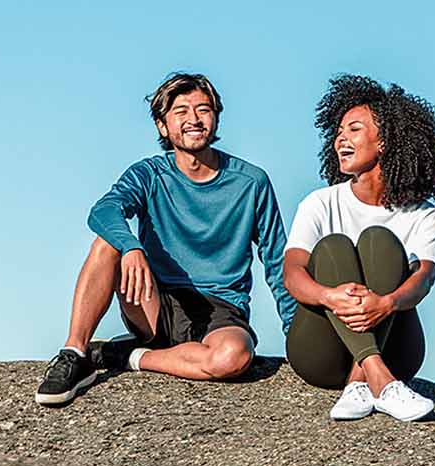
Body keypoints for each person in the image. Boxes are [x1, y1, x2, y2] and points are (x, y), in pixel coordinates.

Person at [35, 73, 295, 406]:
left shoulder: (252, 182)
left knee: (233, 358)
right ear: (163, 125)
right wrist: (131, 247)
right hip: (154, 302)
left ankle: (124, 356)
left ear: (216, 117)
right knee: (108, 241)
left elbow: (277, 260)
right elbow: (104, 210)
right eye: (181, 111)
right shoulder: (148, 174)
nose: (194, 119)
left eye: (203, 109)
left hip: (221, 308)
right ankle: (75, 353)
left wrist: (296, 334)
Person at [283, 74, 435, 422]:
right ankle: (379, 380)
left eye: (354, 129)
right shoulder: (320, 203)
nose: (340, 139)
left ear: (386, 141)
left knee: (379, 241)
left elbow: (423, 279)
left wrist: (386, 303)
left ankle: (360, 383)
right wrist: (329, 296)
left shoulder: (423, 214)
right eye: (339, 132)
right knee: (333, 246)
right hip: (321, 352)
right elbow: (292, 273)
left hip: (398, 348)